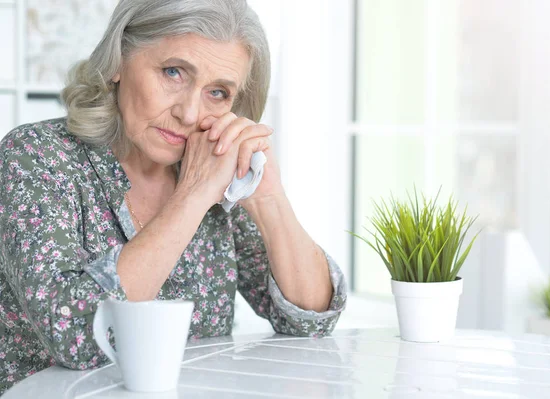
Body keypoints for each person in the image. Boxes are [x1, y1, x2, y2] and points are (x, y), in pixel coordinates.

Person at [0, 0, 347, 393]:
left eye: (217, 92)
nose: (189, 113)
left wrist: (269, 198)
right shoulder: (36, 155)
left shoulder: (212, 172)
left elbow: (311, 320)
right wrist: (192, 196)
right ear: (117, 61)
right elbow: (77, 335)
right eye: (173, 72)